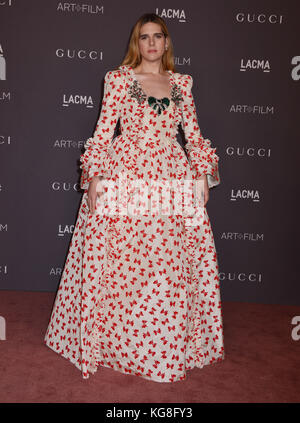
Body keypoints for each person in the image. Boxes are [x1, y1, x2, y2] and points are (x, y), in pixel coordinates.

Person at [44, 13, 225, 383]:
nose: (152, 43)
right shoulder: (119, 79)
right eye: (145, 37)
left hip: (170, 176)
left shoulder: (181, 84)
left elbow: (192, 133)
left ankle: (162, 345)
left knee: (167, 262)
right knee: (123, 261)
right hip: (127, 173)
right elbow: (103, 128)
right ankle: (117, 343)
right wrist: (94, 175)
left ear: (167, 42)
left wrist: (202, 174)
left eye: (159, 36)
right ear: (136, 43)